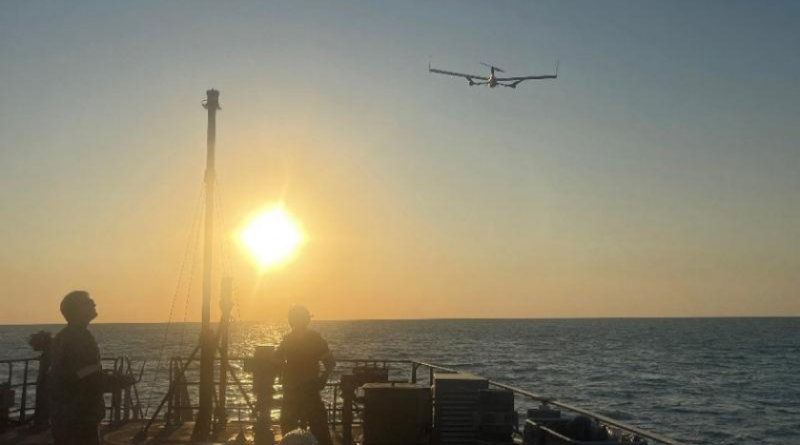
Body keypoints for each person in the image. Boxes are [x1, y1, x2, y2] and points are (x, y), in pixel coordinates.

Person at [48, 291, 105, 445]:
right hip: (80, 414)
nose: (94, 304)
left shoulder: (64, 335)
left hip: (65, 413)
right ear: (77, 310)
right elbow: (86, 376)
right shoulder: (80, 337)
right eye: (88, 302)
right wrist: (115, 381)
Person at [276, 305, 335, 445]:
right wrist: (323, 378)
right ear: (307, 320)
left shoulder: (288, 339)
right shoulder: (315, 339)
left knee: (288, 426)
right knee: (319, 427)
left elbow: (276, 358)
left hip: (292, 389)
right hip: (310, 388)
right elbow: (330, 362)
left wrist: (283, 370)